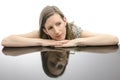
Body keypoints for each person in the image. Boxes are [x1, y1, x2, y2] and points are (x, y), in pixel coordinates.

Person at [1, 5, 119, 47]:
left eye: (58, 24)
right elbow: (6, 41)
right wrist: (43, 42)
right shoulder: (41, 34)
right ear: (45, 30)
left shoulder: (73, 30)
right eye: (50, 28)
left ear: (65, 20)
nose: (57, 31)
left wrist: (76, 41)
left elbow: (113, 39)